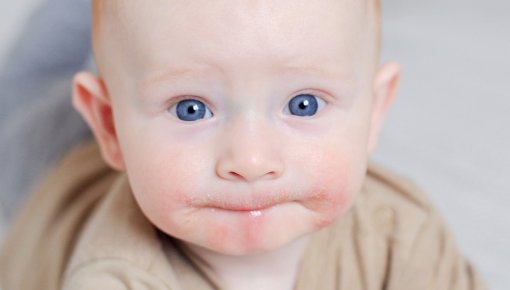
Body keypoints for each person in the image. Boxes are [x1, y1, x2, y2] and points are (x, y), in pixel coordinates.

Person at [0, 1, 488, 289]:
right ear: (110, 127)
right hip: (44, 165)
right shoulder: (116, 278)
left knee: (143, 51)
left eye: (304, 105)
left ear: (375, 110)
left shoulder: (402, 235)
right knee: (42, 74)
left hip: (132, 111)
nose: (251, 161)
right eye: (191, 108)